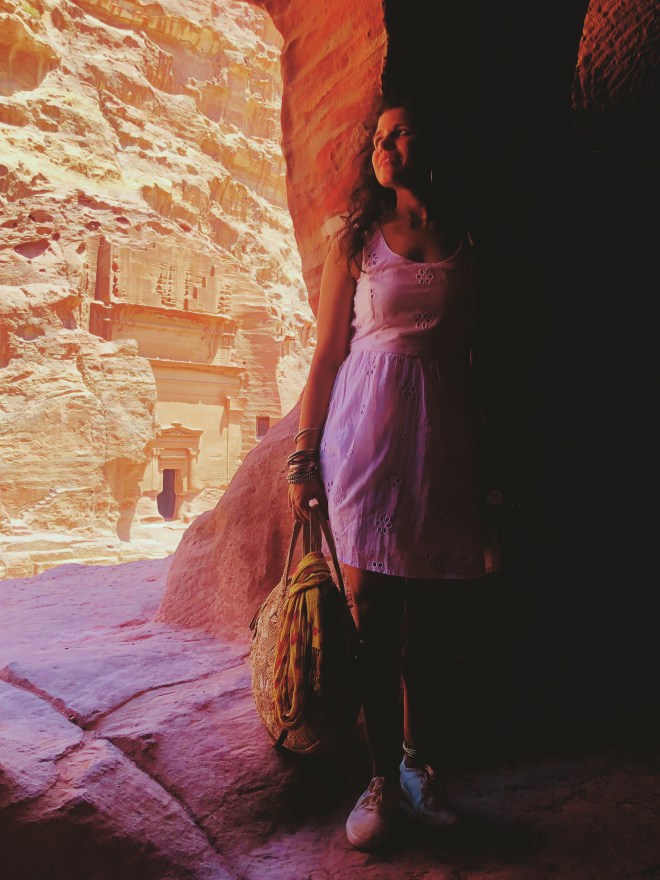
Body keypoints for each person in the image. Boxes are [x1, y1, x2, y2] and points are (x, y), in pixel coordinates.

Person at [286, 95, 499, 852]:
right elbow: (325, 356)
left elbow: (482, 364)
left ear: (433, 143)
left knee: (435, 620)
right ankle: (378, 777)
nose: (386, 145)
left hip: (442, 442)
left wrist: (492, 469)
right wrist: (303, 455)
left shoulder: (471, 242)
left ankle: (418, 765)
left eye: (401, 132)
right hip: (364, 440)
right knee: (372, 611)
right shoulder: (358, 241)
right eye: (379, 136)